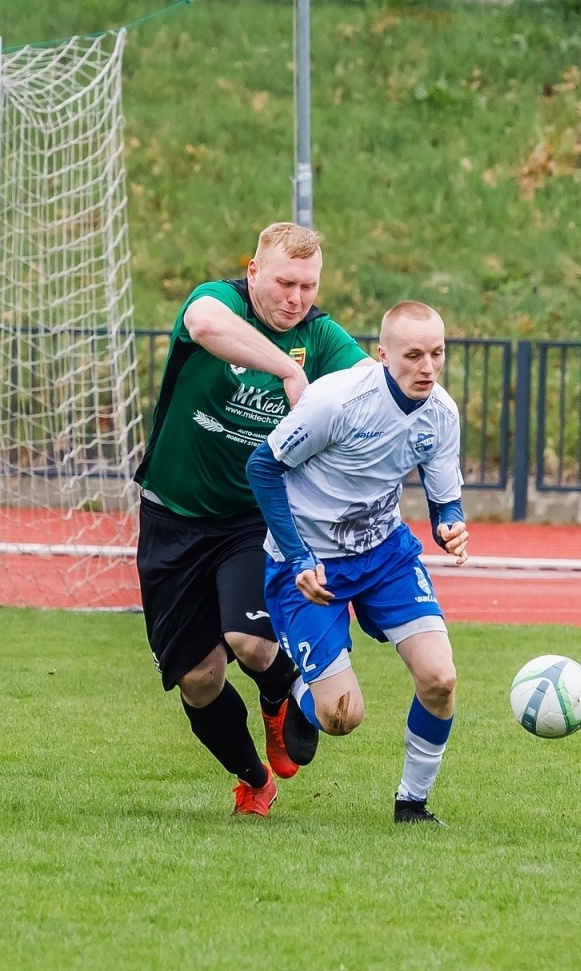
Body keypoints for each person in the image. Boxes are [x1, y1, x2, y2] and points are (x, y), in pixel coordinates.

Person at [135, 223, 367, 816]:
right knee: (199, 679)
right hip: (173, 518)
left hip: (252, 522)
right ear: (254, 270)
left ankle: (277, 697)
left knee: (252, 644)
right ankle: (253, 777)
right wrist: (289, 372)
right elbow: (203, 326)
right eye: (284, 282)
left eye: (308, 286)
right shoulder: (217, 300)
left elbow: (372, 391)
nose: (296, 298)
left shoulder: (322, 337)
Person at [246, 301, 469, 825]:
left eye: (437, 353)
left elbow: (444, 497)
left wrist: (449, 525)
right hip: (309, 564)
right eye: (414, 355)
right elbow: (263, 466)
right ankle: (292, 689)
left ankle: (412, 804)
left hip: (384, 553)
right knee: (343, 717)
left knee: (440, 677)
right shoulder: (337, 402)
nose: (428, 368)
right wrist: (297, 554)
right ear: (383, 354)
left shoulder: (440, 412)